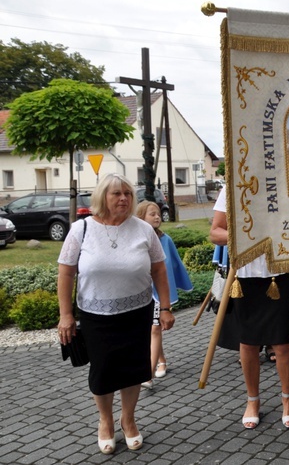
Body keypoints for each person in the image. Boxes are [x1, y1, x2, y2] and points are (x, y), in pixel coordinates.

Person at [56, 173, 175, 455]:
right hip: (96, 316)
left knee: (134, 369)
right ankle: (106, 421)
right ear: (102, 197)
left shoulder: (143, 229)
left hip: (137, 313)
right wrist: (65, 315)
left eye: (127, 194)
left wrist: (166, 307)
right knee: (103, 371)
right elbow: (65, 272)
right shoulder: (81, 229)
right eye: (116, 194)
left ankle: (129, 419)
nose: (123, 198)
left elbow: (159, 268)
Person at [209, 187, 289, 430]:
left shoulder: (285, 181)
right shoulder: (232, 184)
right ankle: (252, 400)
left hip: (282, 271)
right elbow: (216, 232)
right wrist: (248, 236)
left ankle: (288, 398)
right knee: (248, 342)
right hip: (245, 275)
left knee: (282, 341)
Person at [135, 201, 192, 389]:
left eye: (158, 213)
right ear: (141, 217)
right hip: (140, 292)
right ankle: (162, 359)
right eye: (152, 214)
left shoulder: (165, 240)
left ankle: (147, 374)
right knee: (149, 330)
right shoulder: (134, 239)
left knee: (154, 329)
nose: (157, 217)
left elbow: (173, 265)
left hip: (158, 293)